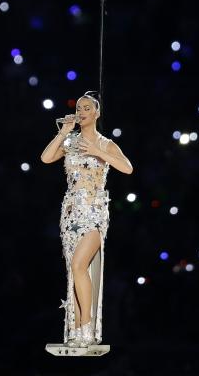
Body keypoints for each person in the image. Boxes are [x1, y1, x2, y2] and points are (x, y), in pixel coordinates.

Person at [40, 92, 133, 348]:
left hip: (93, 213)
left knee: (80, 265)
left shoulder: (104, 143)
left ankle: (86, 326)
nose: (81, 111)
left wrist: (97, 151)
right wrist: (64, 131)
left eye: (87, 107)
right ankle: (81, 328)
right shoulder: (70, 141)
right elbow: (46, 158)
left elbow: (127, 168)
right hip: (70, 214)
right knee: (75, 270)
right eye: (79, 107)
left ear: (96, 113)